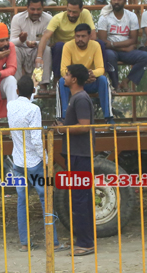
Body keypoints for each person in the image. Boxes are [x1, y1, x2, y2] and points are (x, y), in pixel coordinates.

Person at [7, 76, 64, 251]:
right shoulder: (34, 109)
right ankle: (53, 242)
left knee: (22, 201)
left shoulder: (10, 106)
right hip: (34, 163)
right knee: (46, 198)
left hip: (18, 161)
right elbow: (36, 140)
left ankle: (25, 243)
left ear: (17, 91)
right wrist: (46, 160)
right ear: (33, 91)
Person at [56, 63, 96, 257]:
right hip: (77, 153)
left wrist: (63, 129)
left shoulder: (80, 99)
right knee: (80, 198)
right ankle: (84, 237)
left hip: (80, 154)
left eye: (67, 74)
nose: (65, 77)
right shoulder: (77, 97)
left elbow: (84, 126)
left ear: (74, 79)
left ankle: (86, 243)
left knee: (80, 198)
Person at [97, 0, 147, 91]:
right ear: (111, 1)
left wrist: (114, 44)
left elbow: (133, 40)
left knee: (146, 57)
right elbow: (103, 42)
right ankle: (116, 84)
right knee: (109, 55)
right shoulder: (104, 17)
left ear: (125, 1)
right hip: (113, 51)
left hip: (125, 51)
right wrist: (124, 48)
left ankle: (126, 81)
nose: (116, 2)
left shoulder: (131, 16)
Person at [58, 24, 113, 124]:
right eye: (77, 36)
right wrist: (82, 76)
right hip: (75, 83)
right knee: (61, 81)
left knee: (103, 80)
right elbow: (63, 70)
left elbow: (101, 69)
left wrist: (90, 75)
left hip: (90, 81)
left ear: (89, 36)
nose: (80, 39)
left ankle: (108, 117)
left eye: (83, 36)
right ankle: (62, 118)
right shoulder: (68, 46)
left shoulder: (95, 45)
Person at [35, 0, 95, 86]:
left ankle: (97, 78)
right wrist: (39, 57)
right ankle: (57, 81)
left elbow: (93, 36)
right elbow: (45, 37)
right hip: (62, 50)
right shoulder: (58, 18)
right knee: (59, 46)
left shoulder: (85, 14)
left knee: (99, 44)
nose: (71, 14)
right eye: (69, 11)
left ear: (81, 10)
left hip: (80, 46)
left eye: (74, 12)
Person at [11, 0, 52, 82]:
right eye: (32, 9)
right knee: (14, 50)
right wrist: (21, 40)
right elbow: (12, 42)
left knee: (47, 50)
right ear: (27, 7)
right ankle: (17, 84)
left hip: (38, 50)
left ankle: (43, 84)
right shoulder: (17, 18)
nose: (35, 12)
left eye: (38, 9)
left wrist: (35, 43)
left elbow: (48, 41)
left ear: (43, 8)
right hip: (22, 50)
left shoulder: (48, 19)